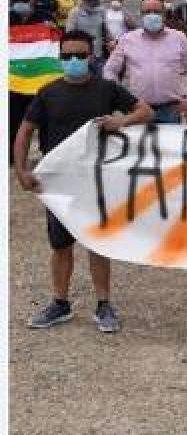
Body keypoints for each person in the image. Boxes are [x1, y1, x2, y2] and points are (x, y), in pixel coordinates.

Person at [13, 29, 154, 332]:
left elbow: (146, 111)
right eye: (67, 56)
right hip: (59, 185)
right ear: (59, 58)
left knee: (98, 243)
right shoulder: (47, 93)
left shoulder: (106, 90)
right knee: (60, 245)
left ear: (91, 56)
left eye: (79, 55)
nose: (73, 60)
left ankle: (104, 305)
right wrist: (21, 170)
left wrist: (122, 121)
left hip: (98, 182)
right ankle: (60, 304)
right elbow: (25, 131)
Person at [103, 0, 187, 124]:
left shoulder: (179, 38)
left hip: (170, 110)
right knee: (139, 144)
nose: (152, 15)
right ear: (141, 15)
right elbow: (110, 70)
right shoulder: (127, 39)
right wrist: (120, 97)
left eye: (156, 12)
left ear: (164, 15)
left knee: (168, 144)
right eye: (147, 12)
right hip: (138, 111)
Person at [9, 0, 58, 160]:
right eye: (14, 0)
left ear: (33, 0)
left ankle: (48, 153)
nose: (18, 3)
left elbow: (56, 45)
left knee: (46, 119)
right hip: (13, 82)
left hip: (40, 81)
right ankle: (11, 156)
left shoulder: (45, 19)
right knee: (12, 120)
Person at [65, 0, 108, 71]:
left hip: (98, 52)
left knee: (100, 78)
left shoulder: (101, 11)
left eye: (95, 5)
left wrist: (109, 41)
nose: (93, 7)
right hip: (81, 54)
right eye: (91, 5)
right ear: (83, 1)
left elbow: (105, 29)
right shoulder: (74, 13)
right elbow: (69, 35)